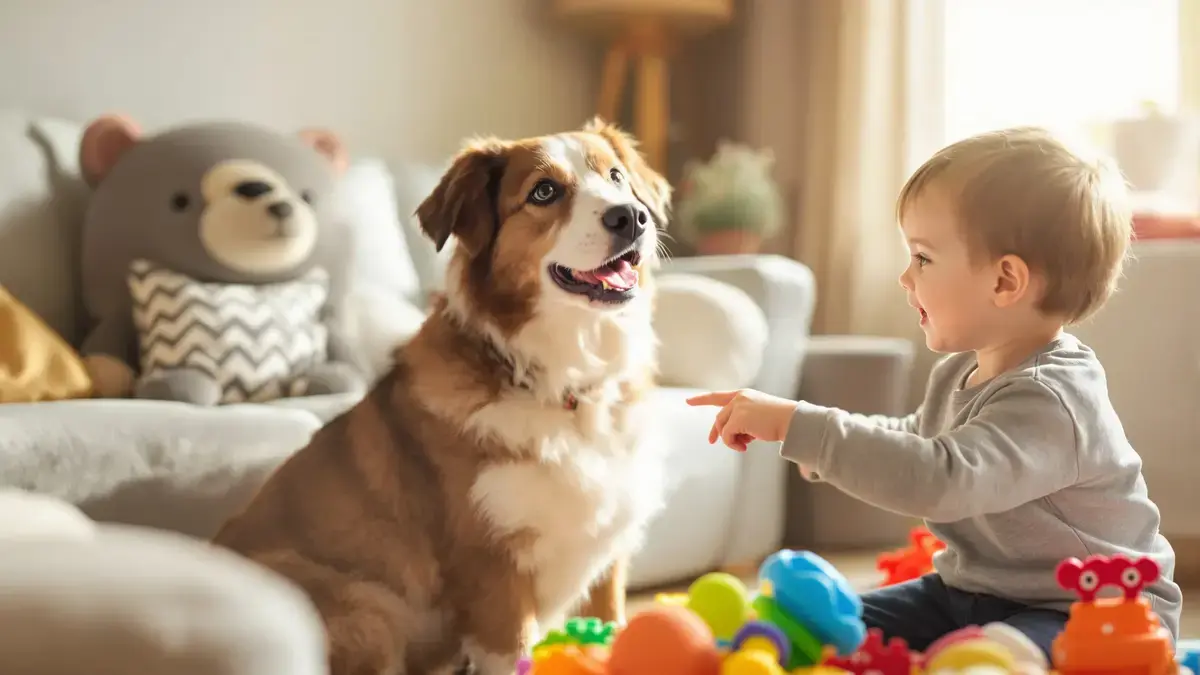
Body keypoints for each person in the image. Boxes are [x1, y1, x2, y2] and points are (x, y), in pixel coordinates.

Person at [687, 126, 1182, 658]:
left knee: (1001, 656)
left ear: (1005, 282)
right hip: (971, 593)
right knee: (839, 627)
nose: (905, 276)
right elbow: (913, 438)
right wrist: (812, 435)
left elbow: (940, 478)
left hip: (1094, 612)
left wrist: (797, 424)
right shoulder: (958, 372)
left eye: (922, 257)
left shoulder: (1051, 399)